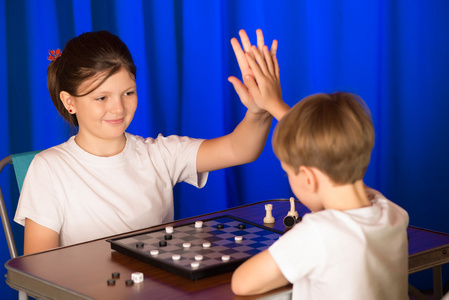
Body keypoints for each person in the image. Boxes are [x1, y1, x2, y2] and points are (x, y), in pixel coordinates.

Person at [14, 29, 282, 255]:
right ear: (69, 101)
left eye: (128, 93)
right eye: (101, 98)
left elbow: (240, 148)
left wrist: (260, 109)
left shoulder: (159, 154)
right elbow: (39, 271)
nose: (118, 108)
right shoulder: (48, 169)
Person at [230, 47, 409, 299]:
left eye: (287, 173)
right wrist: (273, 104)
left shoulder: (318, 234)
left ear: (308, 178)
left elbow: (242, 283)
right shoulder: (390, 212)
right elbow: (337, 155)